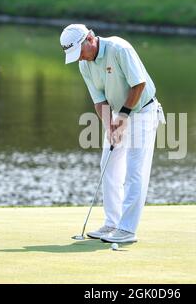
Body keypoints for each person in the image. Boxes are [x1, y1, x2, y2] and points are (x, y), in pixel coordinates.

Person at [60, 24, 165, 243]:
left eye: (79, 52)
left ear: (89, 39)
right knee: (108, 164)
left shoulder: (119, 48)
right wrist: (110, 127)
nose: (79, 58)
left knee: (135, 171)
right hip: (118, 113)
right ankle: (112, 223)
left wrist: (124, 116)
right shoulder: (85, 65)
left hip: (143, 111)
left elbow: (139, 84)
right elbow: (99, 100)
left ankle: (127, 230)